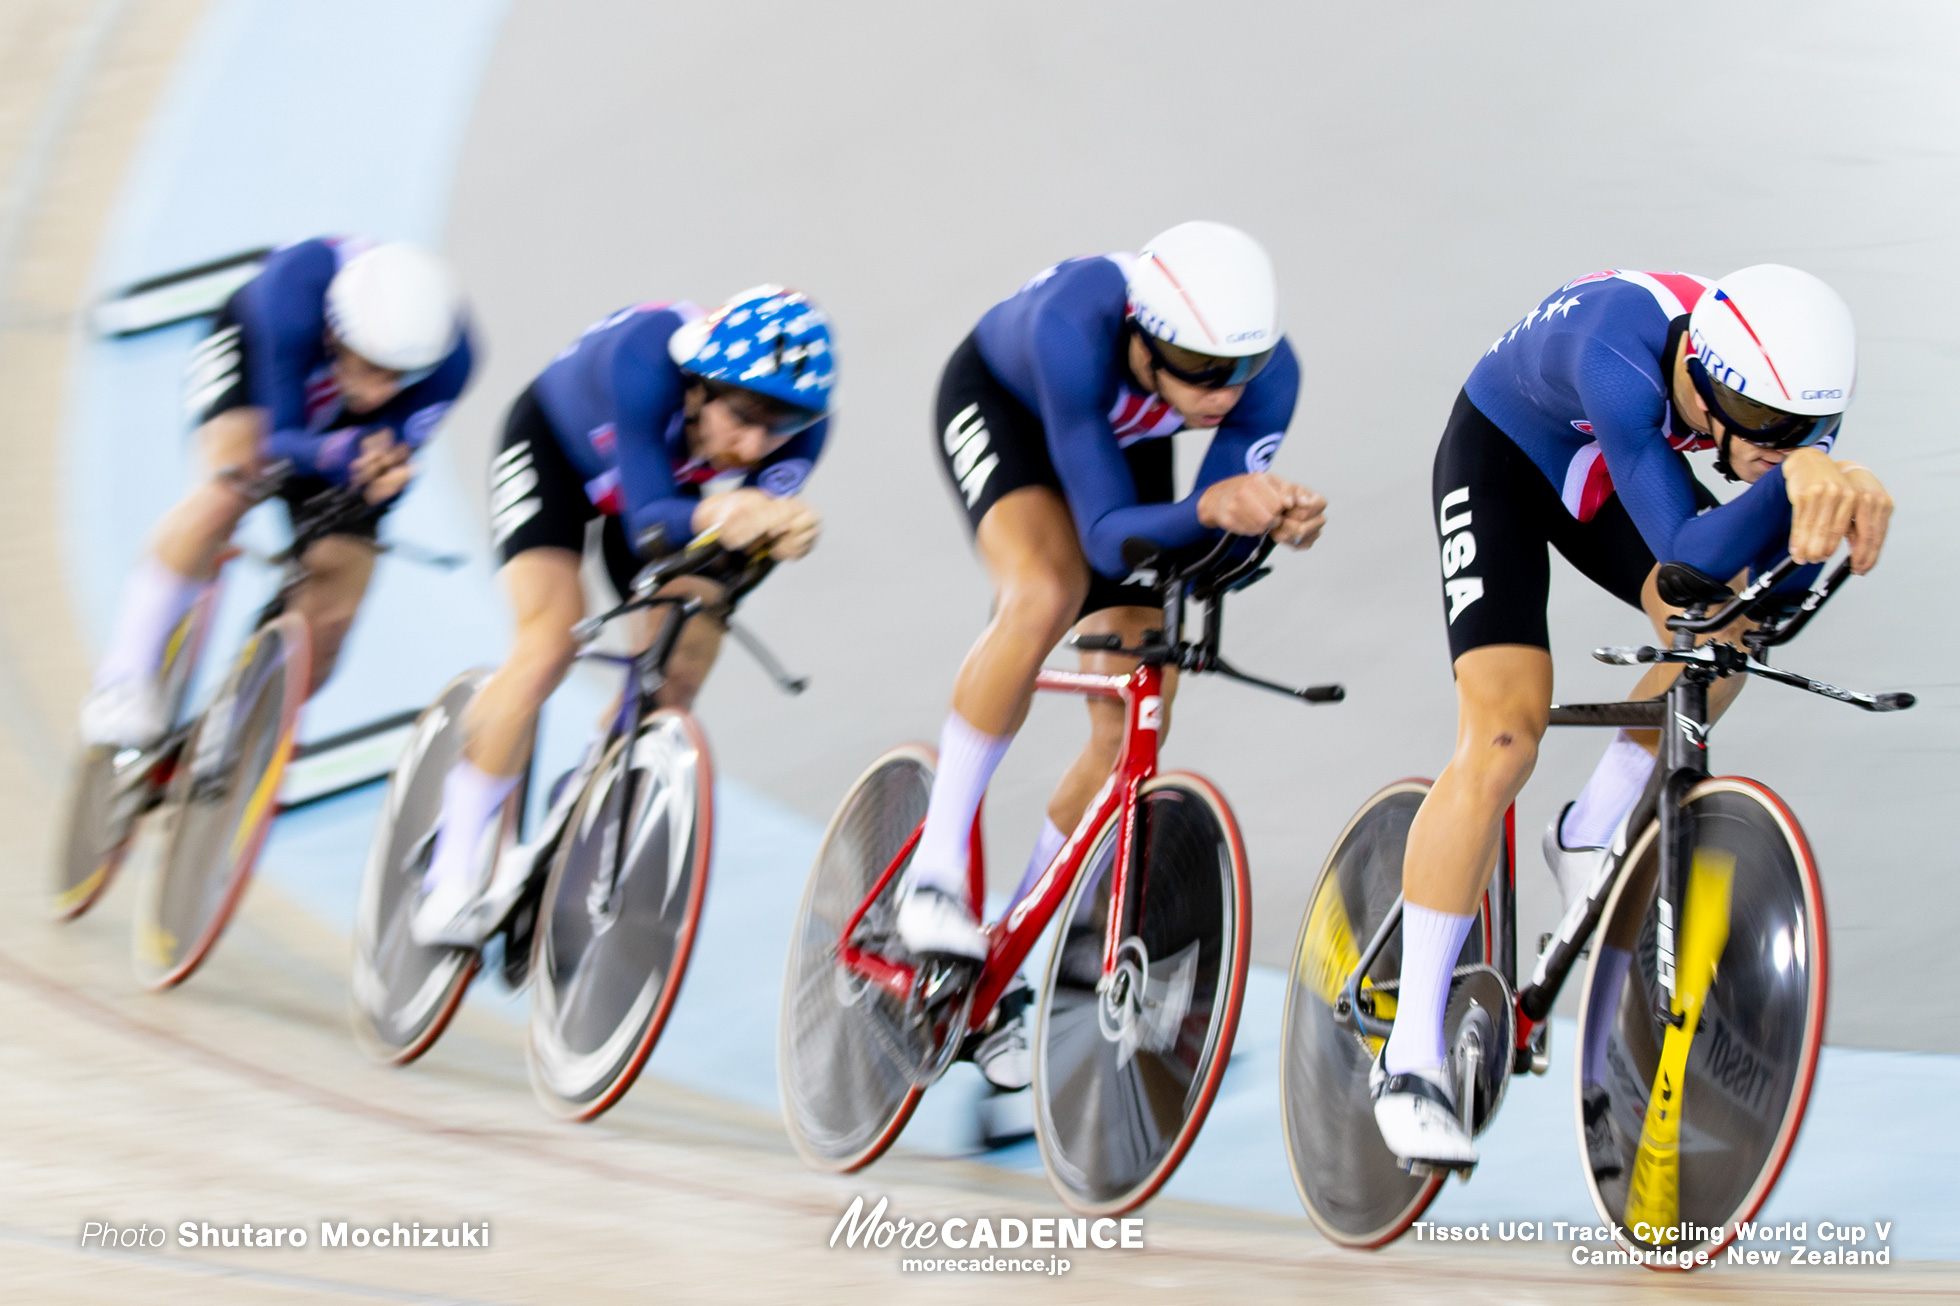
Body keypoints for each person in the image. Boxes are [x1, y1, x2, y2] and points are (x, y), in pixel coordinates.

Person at [1374, 264, 1894, 1169]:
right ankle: (1409, 1053)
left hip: (1611, 468)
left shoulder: (1746, 390)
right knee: (1503, 736)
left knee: (1723, 635)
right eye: (1770, 429)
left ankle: (1591, 832)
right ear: (1707, 377)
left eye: (1811, 429)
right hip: (1500, 458)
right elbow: (1690, 549)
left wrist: (1831, 511)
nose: (1784, 446)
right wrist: (1798, 480)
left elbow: (1756, 589)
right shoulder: (1621, 358)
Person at [898, 220, 1328, 1090]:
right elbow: (1101, 539)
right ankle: (936, 875)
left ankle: (1007, 959)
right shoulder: (1073, 324)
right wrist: (1217, 508)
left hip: (1122, 444)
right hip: (1005, 408)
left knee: (1135, 710)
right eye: (1205, 374)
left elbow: (1208, 549)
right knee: (1044, 592)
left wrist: (1266, 525)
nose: (1224, 395)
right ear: (1144, 339)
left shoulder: (1263, 374)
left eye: (1238, 372)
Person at [410, 286, 832, 946]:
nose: (754, 446)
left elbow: (732, 563)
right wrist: (731, 515)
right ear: (699, 386)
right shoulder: (644, 359)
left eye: (778, 427)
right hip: (555, 455)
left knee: (681, 662)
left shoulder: (802, 431)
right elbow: (647, 526)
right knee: (548, 644)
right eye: (744, 416)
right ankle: (450, 871)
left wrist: (770, 539)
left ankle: (583, 795)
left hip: (670, 496)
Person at [81, 237, 473, 747]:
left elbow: (388, 459)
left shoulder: (453, 359)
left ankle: (235, 740)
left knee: (334, 615)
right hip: (256, 363)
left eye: (398, 377)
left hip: (346, 427)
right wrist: (340, 452)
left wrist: (383, 477)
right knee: (230, 486)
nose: (382, 390)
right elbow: (281, 438)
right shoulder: (294, 291)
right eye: (372, 368)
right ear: (336, 333)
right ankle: (123, 678)